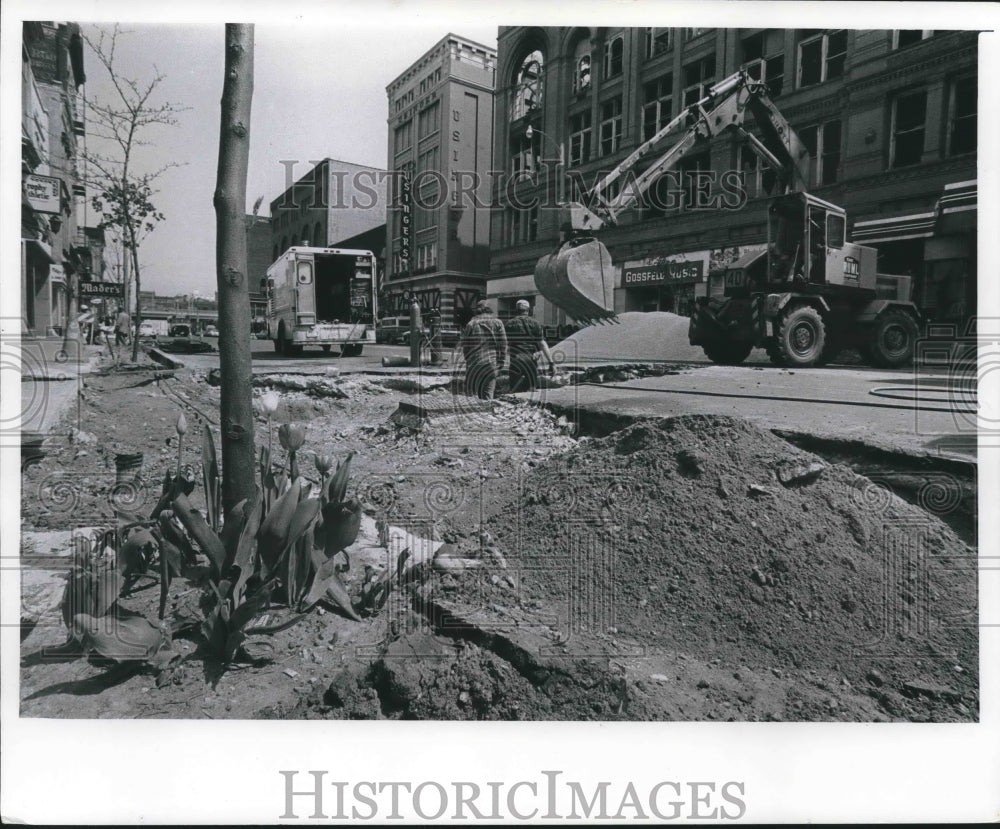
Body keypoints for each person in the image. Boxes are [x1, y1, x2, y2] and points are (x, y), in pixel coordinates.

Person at [459, 300, 507, 400]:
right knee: (488, 394)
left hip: (474, 364)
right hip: (491, 363)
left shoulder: (471, 324)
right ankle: (487, 412)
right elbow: (503, 344)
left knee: (471, 395)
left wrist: (468, 360)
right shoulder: (498, 323)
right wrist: (501, 361)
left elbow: (465, 346)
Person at [504, 299, 555, 393]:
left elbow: (504, 344)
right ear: (529, 310)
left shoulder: (509, 324)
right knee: (531, 390)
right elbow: (542, 344)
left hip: (516, 359)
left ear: (516, 310)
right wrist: (551, 362)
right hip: (531, 360)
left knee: (514, 390)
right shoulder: (535, 323)